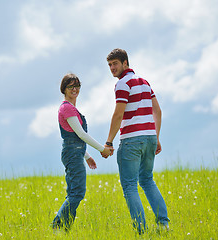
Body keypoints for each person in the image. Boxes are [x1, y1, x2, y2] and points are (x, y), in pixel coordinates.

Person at [103, 48, 170, 234]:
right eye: (109, 65)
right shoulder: (145, 82)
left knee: (130, 186)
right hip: (149, 137)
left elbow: (118, 114)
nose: (112, 68)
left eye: (115, 63)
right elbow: (158, 111)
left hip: (132, 140)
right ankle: (163, 225)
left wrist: (108, 142)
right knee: (147, 180)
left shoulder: (123, 84)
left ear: (126, 63)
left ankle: (141, 231)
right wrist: (155, 137)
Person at [52, 73, 112, 231]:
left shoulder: (72, 108)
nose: (75, 89)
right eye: (71, 86)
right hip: (72, 153)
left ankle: (64, 229)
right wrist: (102, 149)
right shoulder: (66, 108)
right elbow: (81, 135)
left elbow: (76, 138)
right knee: (78, 192)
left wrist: (87, 156)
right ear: (64, 89)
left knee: (73, 192)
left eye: (77, 86)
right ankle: (56, 225)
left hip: (76, 152)